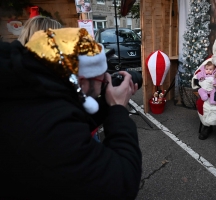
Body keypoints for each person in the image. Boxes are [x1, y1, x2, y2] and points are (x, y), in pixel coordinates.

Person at [0, 27, 142, 199]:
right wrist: (118, 108)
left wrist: (106, 102)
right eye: (101, 77)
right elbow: (122, 183)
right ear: (80, 82)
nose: (106, 80)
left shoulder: (30, 90)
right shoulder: (51, 129)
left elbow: (75, 117)